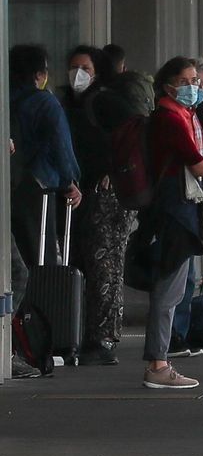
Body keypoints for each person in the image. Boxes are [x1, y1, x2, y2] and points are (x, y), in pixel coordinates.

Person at [61, 46, 144, 366]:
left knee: (105, 264)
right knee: (88, 262)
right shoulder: (77, 103)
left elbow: (135, 135)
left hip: (108, 194)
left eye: (84, 67)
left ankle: (102, 337)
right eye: (72, 67)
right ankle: (86, 334)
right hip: (87, 191)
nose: (77, 74)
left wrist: (114, 171)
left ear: (98, 71)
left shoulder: (104, 101)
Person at [140, 56, 203, 389]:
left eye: (196, 80)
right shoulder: (170, 119)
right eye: (185, 81)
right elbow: (200, 166)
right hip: (174, 210)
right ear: (168, 85)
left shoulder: (180, 115)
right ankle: (158, 363)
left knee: (174, 286)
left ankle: (161, 359)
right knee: (169, 290)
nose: (193, 87)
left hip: (173, 207)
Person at [8, 45, 83, 294]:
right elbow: (61, 145)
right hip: (39, 185)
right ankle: (40, 316)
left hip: (10, 186)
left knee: (15, 255)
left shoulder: (6, 99)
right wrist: (70, 181)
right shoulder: (44, 102)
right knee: (42, 255)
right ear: (39, 74)